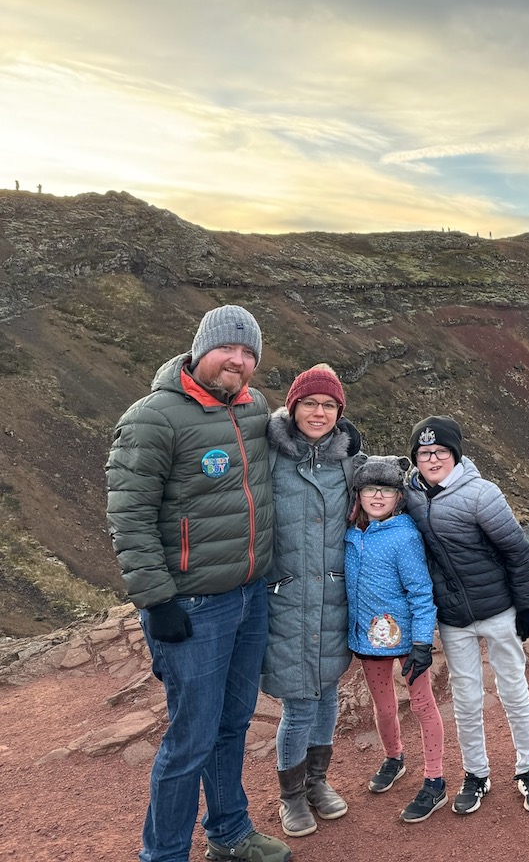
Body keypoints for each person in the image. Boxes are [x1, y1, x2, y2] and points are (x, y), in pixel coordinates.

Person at [106, 305, 291, 862]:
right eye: (227, 349)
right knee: (190, 739)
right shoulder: (153, 418)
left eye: (248, 353)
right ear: (199, 350)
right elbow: (128, 515)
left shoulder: (254, 408)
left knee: (232, 724)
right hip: (192, 605)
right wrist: (157, 599)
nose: (238, 360)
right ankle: (163, 855)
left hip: (250, 595)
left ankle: (230, 833)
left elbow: (298, 436)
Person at [401, 415, 529, 815]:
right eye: (423, 452)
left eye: (440, 451)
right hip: (453, 618)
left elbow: (516, 551)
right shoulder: (410, 495)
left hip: (498, 610)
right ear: (414, 458)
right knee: (466, 699)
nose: (432, 459)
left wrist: (527, 604)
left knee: (513, 690)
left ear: (455, 453)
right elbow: (373, 481)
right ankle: (476, 774)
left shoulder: (482, 494)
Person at [261, 365, 362, 838]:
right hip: (286, 598)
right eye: (310, 404)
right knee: (299, 703)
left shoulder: (348, 463)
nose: (318, 412)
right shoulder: (267, 456)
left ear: (339, 413)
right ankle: (292, 796)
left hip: (333, 596)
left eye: (328, 405)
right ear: (293, 407)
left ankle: (317, 782)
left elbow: (385, 494)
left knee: (327, 694)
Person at [344, 454, 448, 824]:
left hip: (406, 641)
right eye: (370, 489)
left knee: (422, 706)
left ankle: (435, 779)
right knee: (384, 707)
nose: (377, 497)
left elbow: (420, 592)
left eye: (386, 490)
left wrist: (422, 641)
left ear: (398, 497)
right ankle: (394, 757)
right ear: (358, 494)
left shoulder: (404, 536)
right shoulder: (350, 533)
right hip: (369, 641)